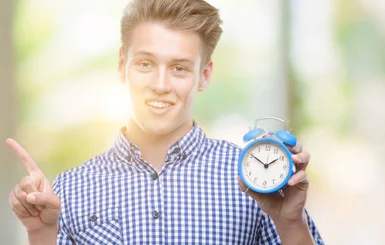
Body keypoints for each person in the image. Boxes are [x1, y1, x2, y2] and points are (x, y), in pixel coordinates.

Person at [6, 0, 324, 244]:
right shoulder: (70, 191)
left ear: (205, 75)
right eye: (145, 64)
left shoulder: (256, 182)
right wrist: (42, 235)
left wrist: (290, 221)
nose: (160, 84)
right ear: (122, 66)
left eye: (179, 68)